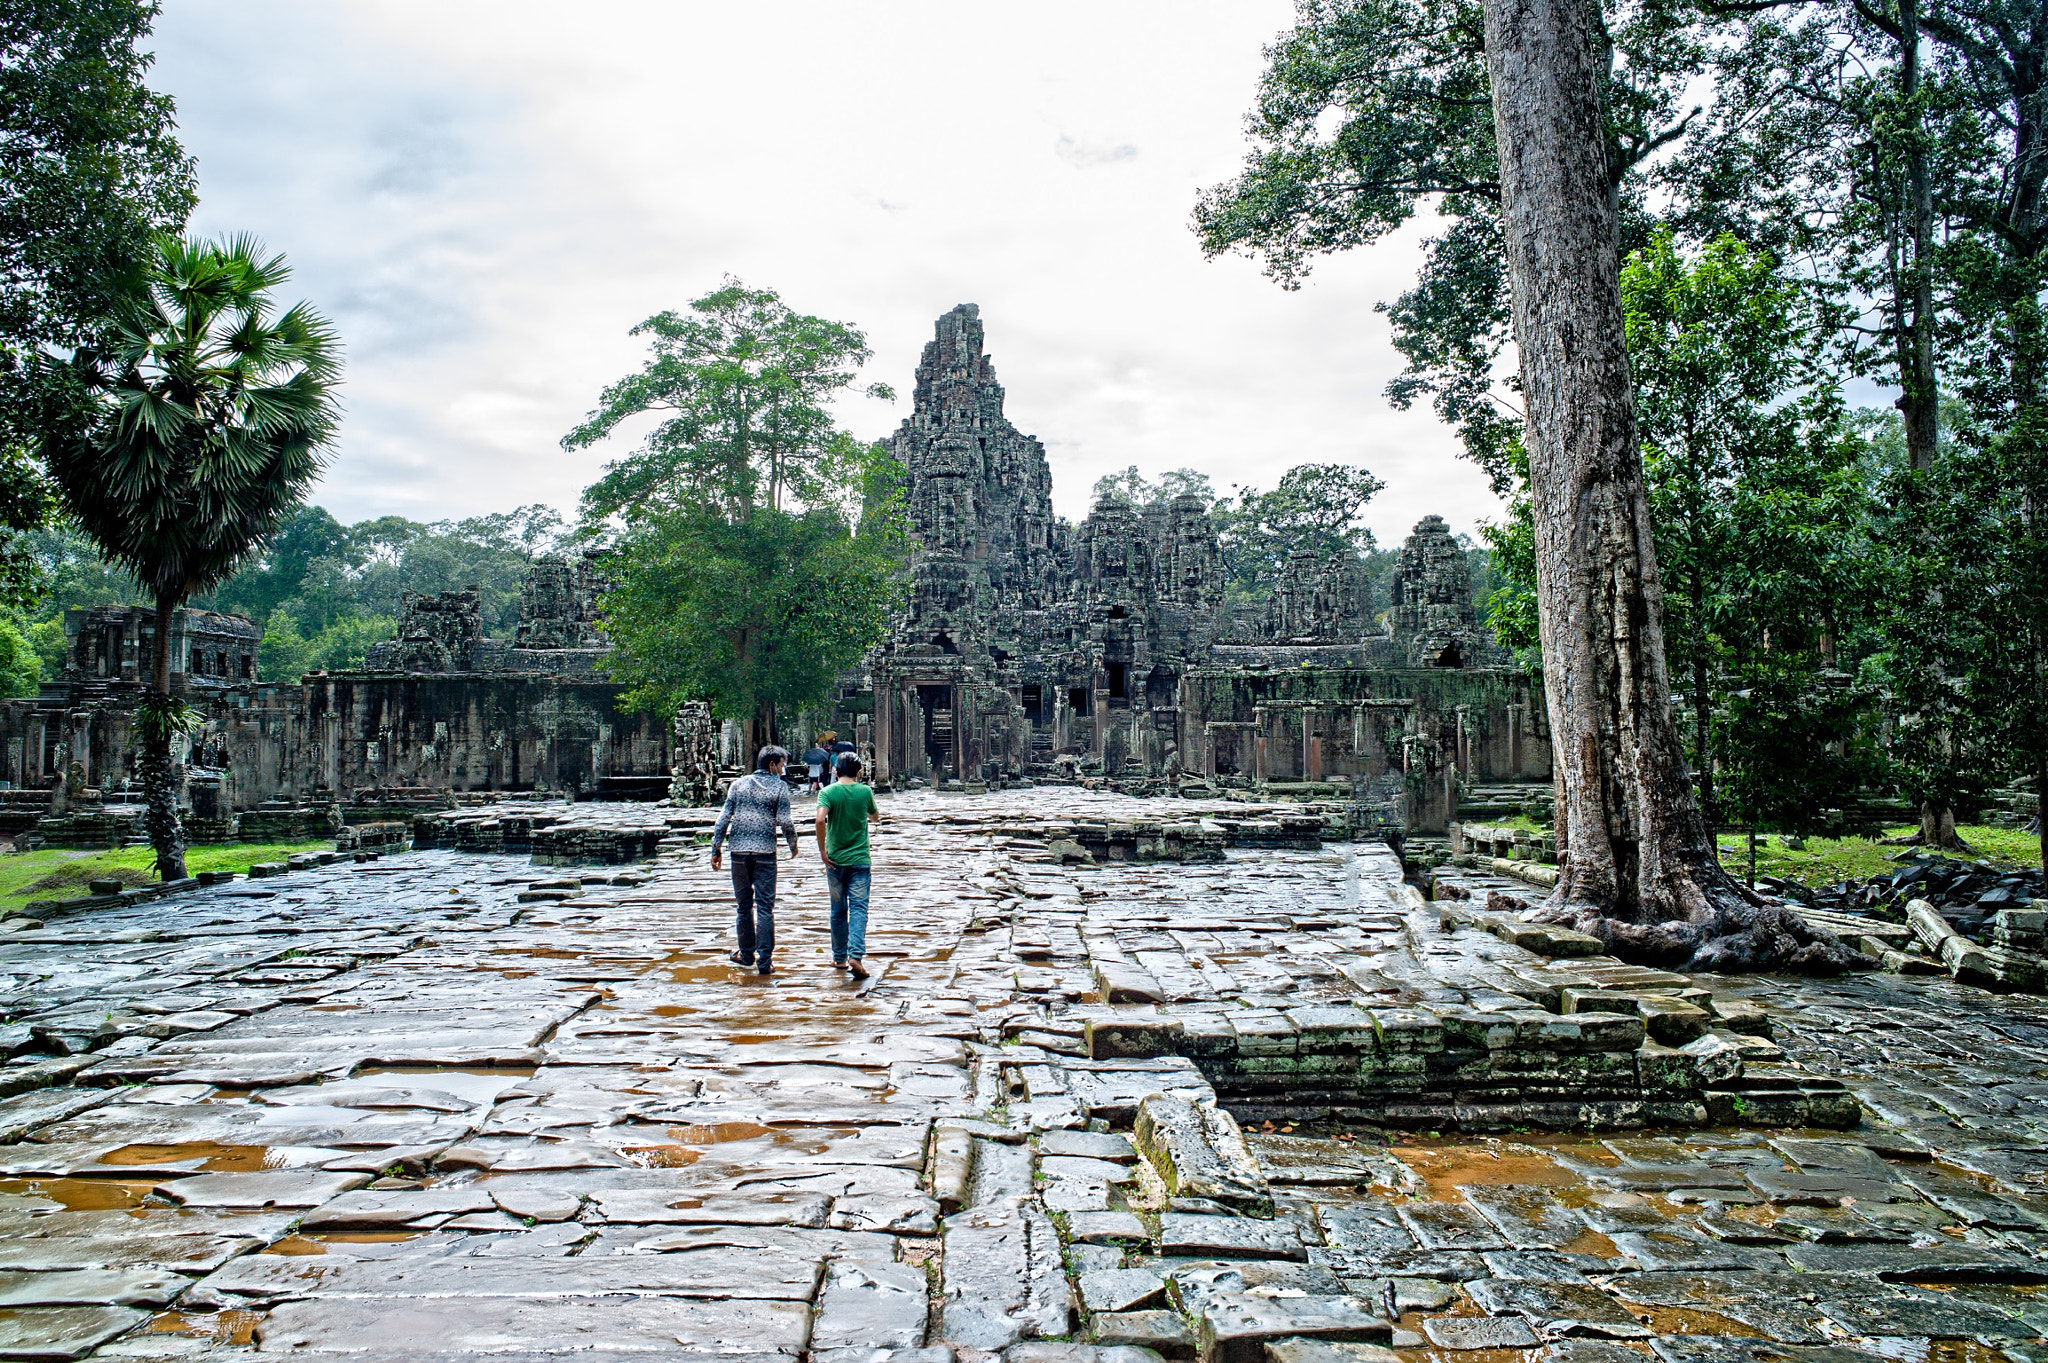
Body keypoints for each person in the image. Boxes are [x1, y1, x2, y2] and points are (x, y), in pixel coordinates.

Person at [710, 744, 798, 976]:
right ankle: (764, 960)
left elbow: (723, 818)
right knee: (765, 907)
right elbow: (785, 821)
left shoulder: (738, 785)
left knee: (744, 906)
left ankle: (746, 953)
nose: (783, 769)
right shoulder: (779, 787)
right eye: (781, 764)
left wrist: (715, 848)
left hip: (738, 852)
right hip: (765, 854)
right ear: (771, 765)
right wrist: (793, 845)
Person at [815, 751, 881, 979]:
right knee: (859, 908)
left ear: (835, 771)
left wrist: (822, 850)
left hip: (834, 860)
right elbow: (875, 817)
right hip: (860, 859)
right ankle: (857, 954)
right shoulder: (865, 791)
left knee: (838, 909)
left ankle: (840, 958)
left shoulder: (827, 792)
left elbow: (820, 819)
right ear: (859, 772)